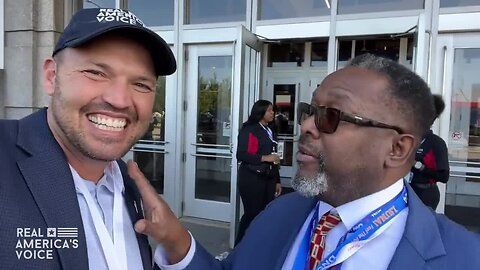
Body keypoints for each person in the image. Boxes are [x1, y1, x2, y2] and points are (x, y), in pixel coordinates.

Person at [127, 53, 480, 270]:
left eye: (331, 116)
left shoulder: (462, 258)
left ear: (397, 149)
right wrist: (177, 242)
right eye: (309, 111)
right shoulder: (281, 213)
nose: (306, 126)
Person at [0, 8, 187, 270]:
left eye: (141, 84)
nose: (119, 100)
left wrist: (176, 246)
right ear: (51, 77)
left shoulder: (130, 186)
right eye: (96, 73)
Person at [235, 100, 282, 245]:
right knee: (252, 214)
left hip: (268, 178)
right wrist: (265, 158)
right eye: (269, 110)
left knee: (265, 214)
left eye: (272, 110)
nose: (272, 113)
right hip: (251, 179)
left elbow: (275, 157)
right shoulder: (249, 130)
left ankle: (257, 244)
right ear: (260, 112)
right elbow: (241, 154)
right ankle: (239, 247)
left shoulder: (270, 130)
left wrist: (277, 180)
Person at [410, 95, 449, 210]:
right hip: (408, 191)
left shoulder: (437, 143)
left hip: (427, 194)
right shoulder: (409, 140)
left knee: (422, 226)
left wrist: (421, 167)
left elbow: (444, 177)